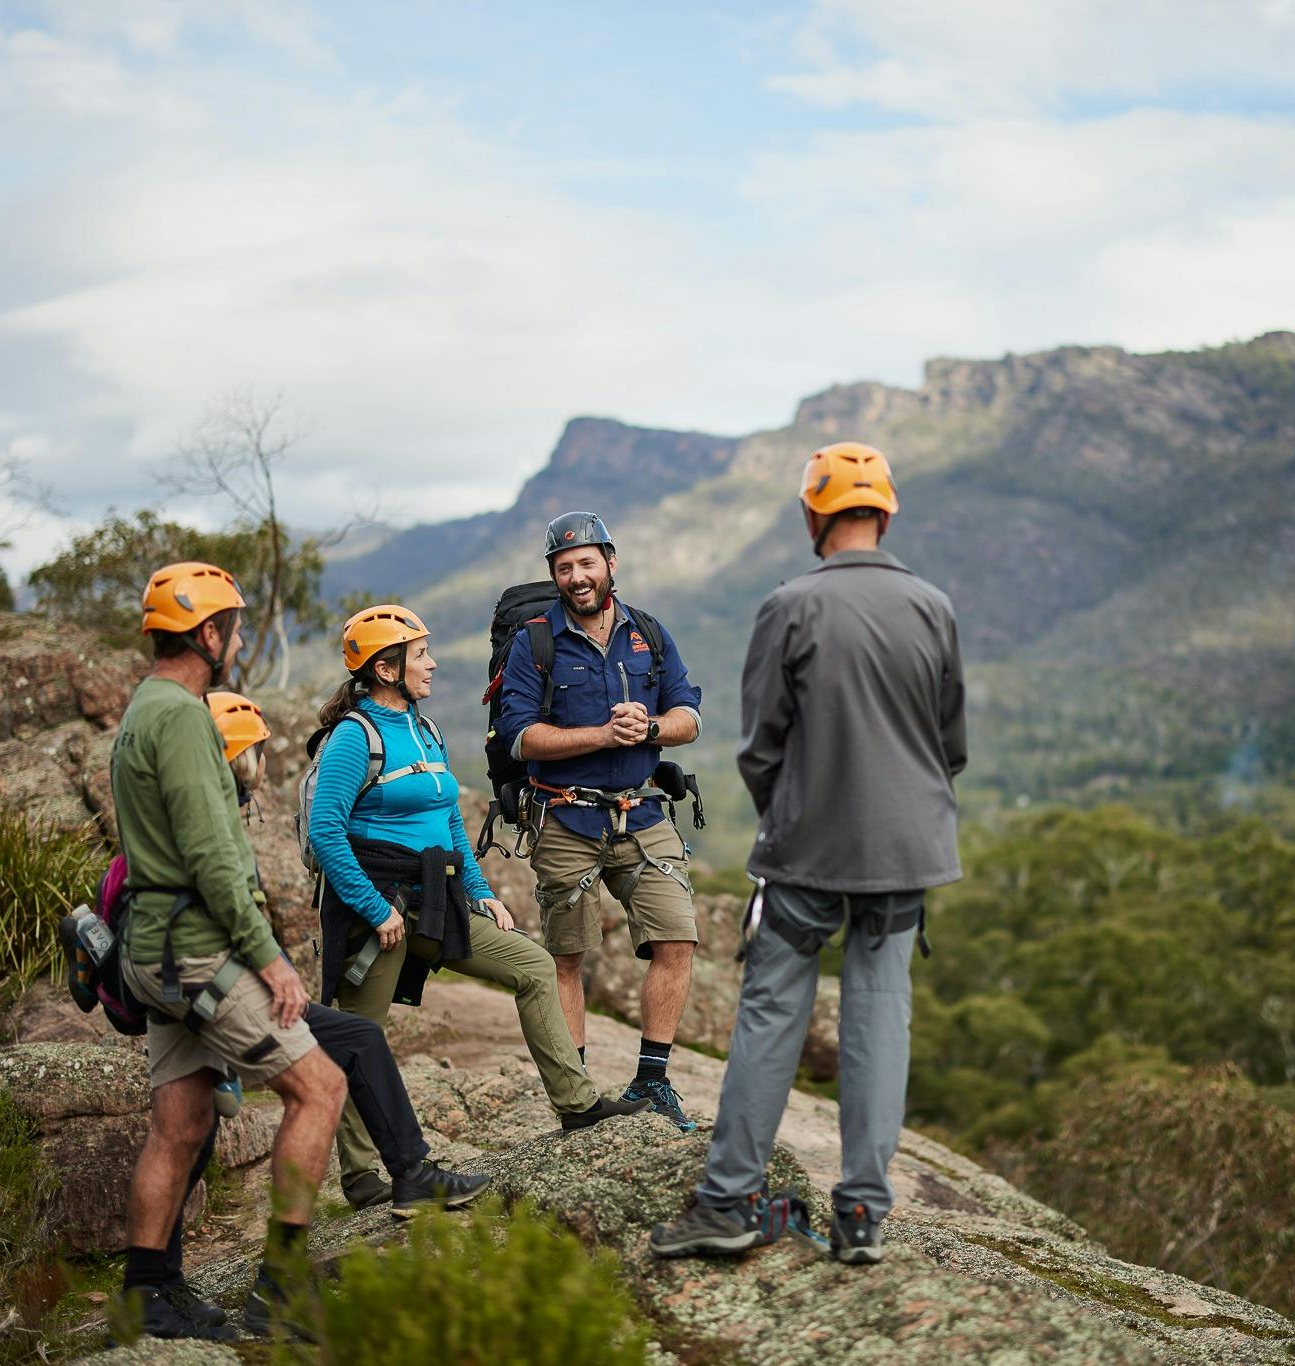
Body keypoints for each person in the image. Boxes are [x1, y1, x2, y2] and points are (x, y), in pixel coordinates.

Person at [112, 563, 484, 1342]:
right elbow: (214, 856)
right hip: (196, 953)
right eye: (236, 627)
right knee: (317, 1087)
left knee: (179, 1123)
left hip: (150, 948)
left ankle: (148, 1291)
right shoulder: (181, 718)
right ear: (208, 634)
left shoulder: (141, 710)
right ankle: (279, 1289)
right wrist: (269, 960)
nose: (239, 640)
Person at [650, 443, 966, 1265]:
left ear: (813, 513)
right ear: (884, 512)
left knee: (771, 1013)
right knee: (878, 1018)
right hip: (907, 851)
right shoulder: (933, 606)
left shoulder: (790, 605)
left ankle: (729, 1202)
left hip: (807, 852)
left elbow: (761, 746)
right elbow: (949, 746)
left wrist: (793, 817)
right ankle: (862, 1216)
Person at [309, 604, 647, 1207]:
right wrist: (373, 908)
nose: (432, 663)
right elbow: (326, 832)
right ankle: (361, 1174)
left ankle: (577, 1104)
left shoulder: (425, 729)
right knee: (360, 1034)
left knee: (534, 967)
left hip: (435, 900)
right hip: (377, 909)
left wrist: (484, 894)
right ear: (386, 670)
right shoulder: (352, 739)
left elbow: (450, 826)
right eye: (420, 655)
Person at [493, 513, 706, 1131]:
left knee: (677, 938)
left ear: (611, 562)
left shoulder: (648, 633)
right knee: (567, 955)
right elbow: (521, 737)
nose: (577, 577)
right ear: (553, 576)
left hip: (642, 811)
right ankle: (577, 1096)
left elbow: (689, 715)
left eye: (587, 563)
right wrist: (601, 734)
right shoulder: (535, 642)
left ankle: (652, 1081)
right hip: (566, 816)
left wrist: (654, 728)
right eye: (565, 568)